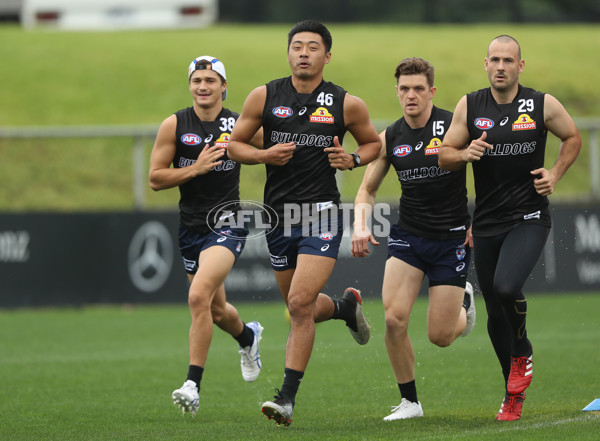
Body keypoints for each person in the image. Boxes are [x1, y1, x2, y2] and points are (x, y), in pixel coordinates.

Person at [228, 20, 382, 427]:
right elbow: (235, 145)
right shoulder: (263, 96)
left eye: (313, 47)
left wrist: (353, 160)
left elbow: (372, 143)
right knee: (304, 308)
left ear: (326, 56)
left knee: (298, 305)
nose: (303, 53)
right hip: (278, 217)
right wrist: (263, 156)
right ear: (288, 53)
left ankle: (287, 399)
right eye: (297, 46)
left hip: (322, 215)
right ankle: (346, 308)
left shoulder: (346, 104)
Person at [439, 35, 581, 421]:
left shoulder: (540, 104)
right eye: (495, 60)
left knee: (505, 287)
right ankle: (512, 395)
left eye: (508, 60)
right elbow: (444, 154)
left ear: (521, 66)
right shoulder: (469, 105)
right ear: (485, 64)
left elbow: (572, 136)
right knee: (495, 315)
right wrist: (464, 153)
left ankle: (523, 350)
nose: (501, 66)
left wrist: (555, 172)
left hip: (529, 217)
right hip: (486, 223)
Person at [351, 57, 476, 421]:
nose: (411, 95)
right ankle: (410, 402)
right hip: (408, 237)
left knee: (440, 336)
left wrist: (478, 220)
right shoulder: (390, 136)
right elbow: (366, 189)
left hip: (451, 240)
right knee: (394, 320)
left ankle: (463, 307)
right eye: (404, 89)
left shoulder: (454, 125)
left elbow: (487, 173)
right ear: (397, 92)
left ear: (431, 92)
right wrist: (361, 224)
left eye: (419, 88)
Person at [148, 55, 265, 416]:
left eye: (211, 80)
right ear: (190, 85)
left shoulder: (238, 124)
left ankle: (192, 385)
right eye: (197, 80)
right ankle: (248, 336)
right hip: (190, 229)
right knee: (215, 310)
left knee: (198, 297)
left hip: (227, 222)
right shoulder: (174, 124)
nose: (203, 86)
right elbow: (155, 178)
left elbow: (271, 151)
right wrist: (194, 169)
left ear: (224, 87)